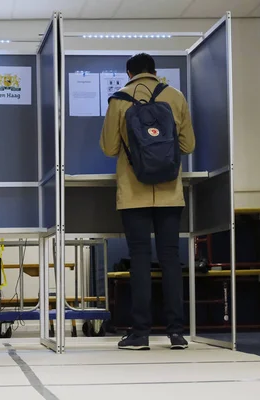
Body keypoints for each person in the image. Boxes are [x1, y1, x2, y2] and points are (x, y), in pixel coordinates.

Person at [100, 53, 195, 350]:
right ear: (155, 71)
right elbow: (188, 145)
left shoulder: (119, 99)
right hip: (169, 191)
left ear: (128, 73)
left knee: (139, 258)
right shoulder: (175, 96)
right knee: (169, 258)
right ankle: (176, 333)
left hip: (133, 192)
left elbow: (109, 147)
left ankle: (140, 333)